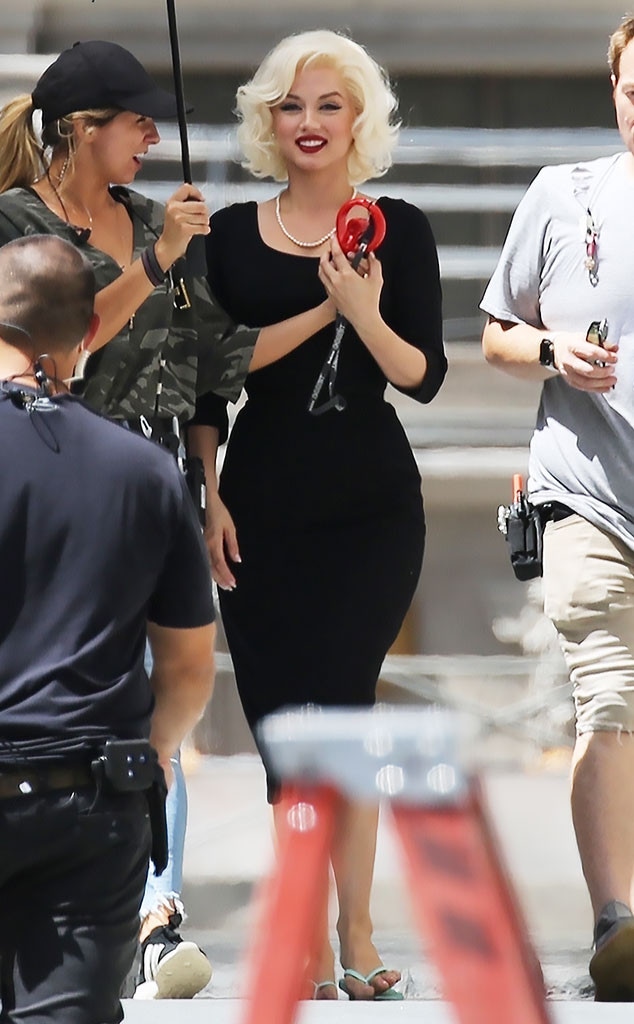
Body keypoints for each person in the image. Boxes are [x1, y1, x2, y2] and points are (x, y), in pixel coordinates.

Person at [0, 39, 261, 1000]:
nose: (153, 133)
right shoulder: (15, 227)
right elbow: (61, 335)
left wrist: (210, 486)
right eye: (133, 118)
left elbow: (202, 373)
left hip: (154, 479)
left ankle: (158, 907)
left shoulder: (164, 222)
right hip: (53, 469)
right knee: (85, 683)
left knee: (169, 679)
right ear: (80, 130)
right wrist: (154, 260)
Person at [189, 29, 447, 1001]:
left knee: (340, 716)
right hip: (256, 506)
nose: (308, 123)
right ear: (267, 119)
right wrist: (206, 492)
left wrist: (367, 312)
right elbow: (210, 381)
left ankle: (356, 934)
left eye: (328, 105)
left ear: (358, 122)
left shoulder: (399, 228)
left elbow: (419, 374)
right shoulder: (223, 237)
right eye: (290, 106)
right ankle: (302, 930)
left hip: (370, 511)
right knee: (283, 729)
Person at [0, 233, 216, 1023]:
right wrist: (153, 756)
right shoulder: (141, 469)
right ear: (89, 332)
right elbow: (190, 668)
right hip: (89, 804)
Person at [480, 13, 634, 1002]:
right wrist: (547, 352)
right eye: (631, 84)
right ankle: (618, 920)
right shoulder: (562, 193)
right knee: (609, 695)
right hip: (585, 496)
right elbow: (495, 331)